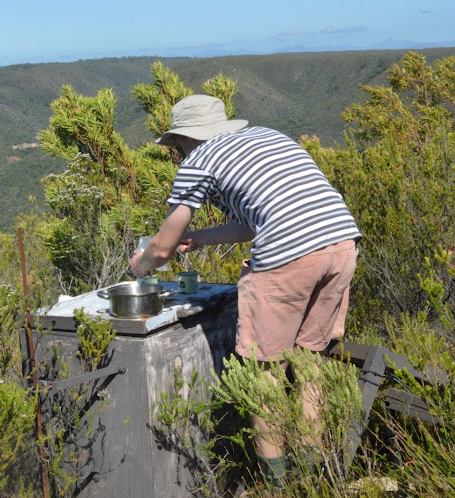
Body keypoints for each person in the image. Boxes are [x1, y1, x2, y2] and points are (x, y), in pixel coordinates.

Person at [129, 94, 361, 491]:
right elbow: (258, 222)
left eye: (176, 145)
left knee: (262, 372)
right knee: (309, 364)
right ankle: (312, 478)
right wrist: (199, 239)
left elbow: (162, 247)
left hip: (289, 256)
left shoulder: (197, 161)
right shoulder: (269, 137)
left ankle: (274, 484)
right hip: (341, 244)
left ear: (183, 139)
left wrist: (143, 265)